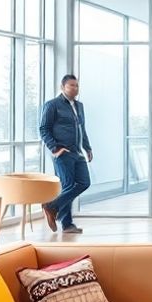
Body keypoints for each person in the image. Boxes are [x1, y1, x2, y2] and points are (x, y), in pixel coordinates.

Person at [39, 74, 92, 235]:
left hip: (77, 152)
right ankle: (67, 225)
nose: (75, 88)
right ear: (63, 87)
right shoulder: (52, 105)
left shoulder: (79, 106)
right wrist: (55, 148)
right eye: (71, 85)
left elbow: (82, 129)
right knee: (68, 185)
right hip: (62, 152)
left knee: (84, 182)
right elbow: (44, 129)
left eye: (76, 85)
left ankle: (51, 206)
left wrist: (87, 148)